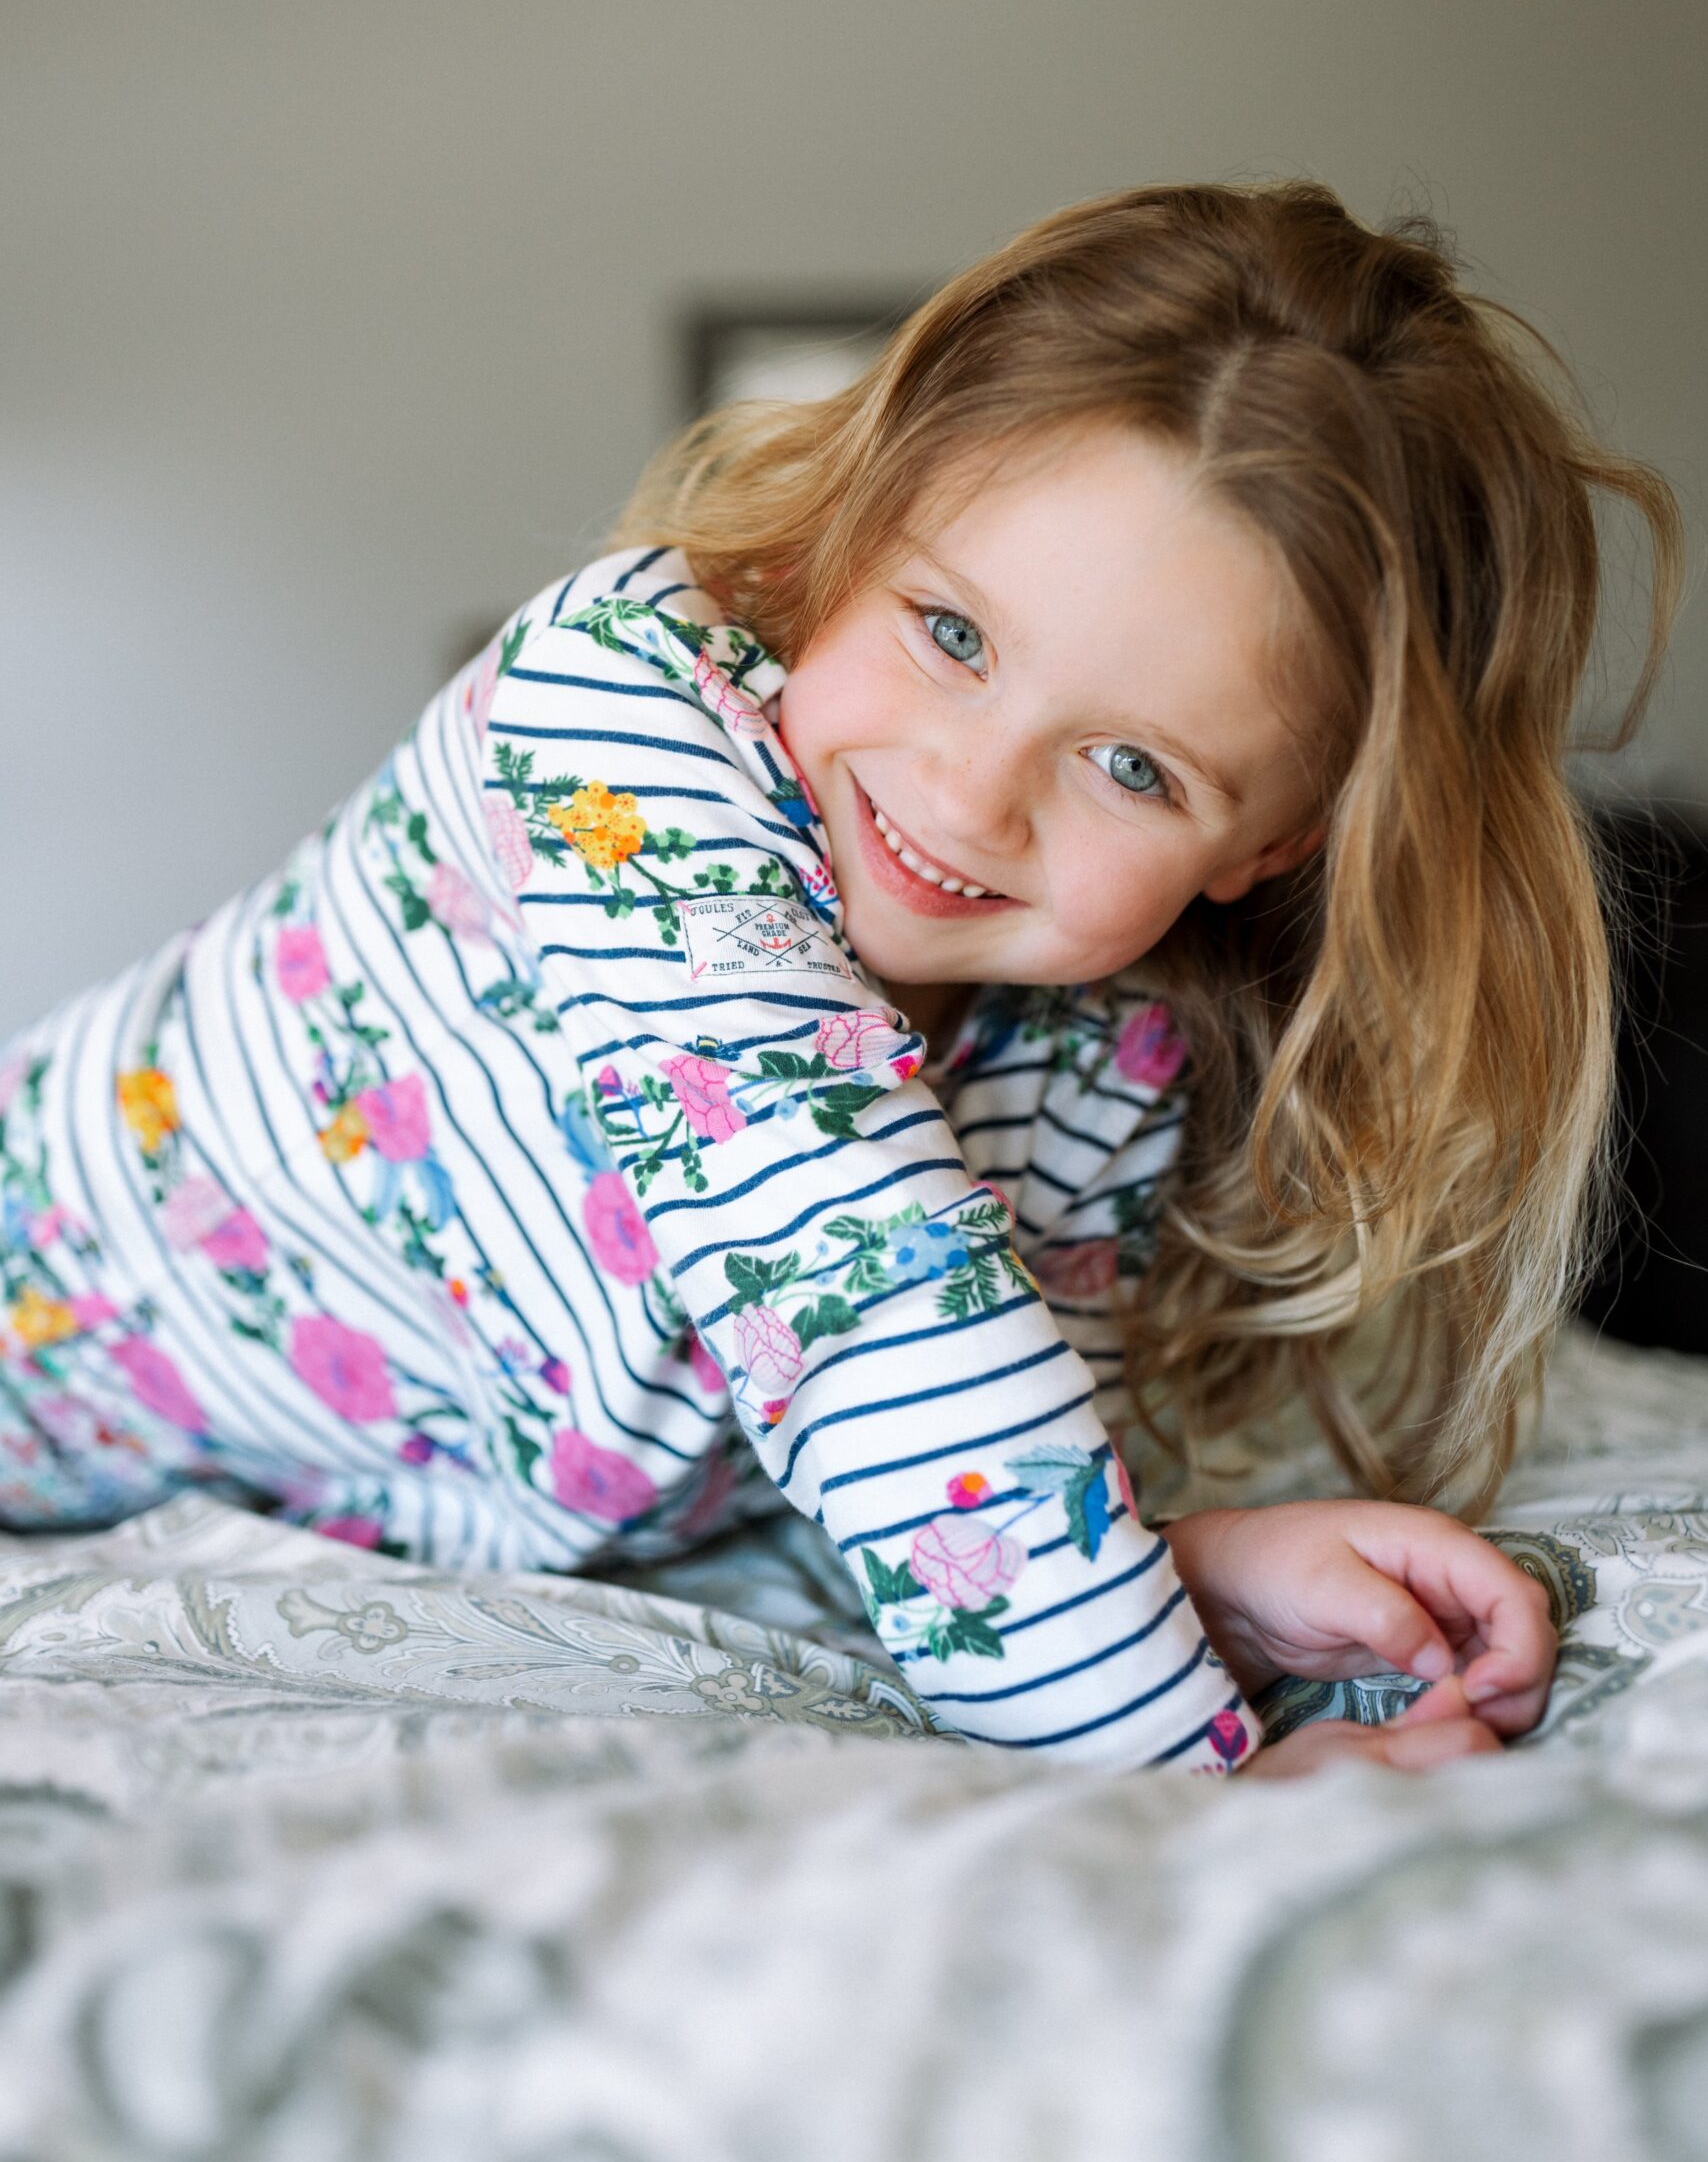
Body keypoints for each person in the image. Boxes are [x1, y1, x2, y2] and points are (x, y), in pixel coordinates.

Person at [0, 183, 1679, 1781]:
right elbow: (865, 1299)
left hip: (333, 1475)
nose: (966, 795)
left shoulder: (1113, 1043)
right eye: (952, 634)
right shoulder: (618, 716)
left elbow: (953, 1467)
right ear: (858, 533)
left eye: (1132, 767)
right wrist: (1197, 1774)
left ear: (1281, 844)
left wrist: (1184, 1576)